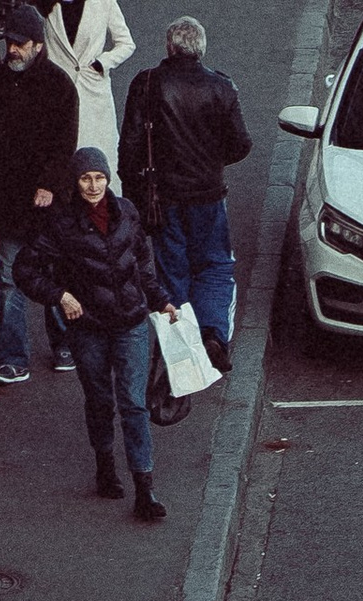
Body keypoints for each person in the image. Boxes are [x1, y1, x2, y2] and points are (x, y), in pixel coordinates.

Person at [16, 149, 173, 522]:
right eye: (86, 178)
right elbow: (25, 269)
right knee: (101, 401)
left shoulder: (128, 212)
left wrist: (161, 300)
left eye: (99, 178)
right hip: (89, 328)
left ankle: (144, 489)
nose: (93, 186)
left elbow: (142, 262)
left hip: (131, 321)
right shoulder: (60, 224)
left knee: (134, 404)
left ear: (108, 179)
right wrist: (60, 295)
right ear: (75, 181)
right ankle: (105, 466)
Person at [120, 14, 251, 370]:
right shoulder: (222, 87)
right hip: (208, 195)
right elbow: (241, 145)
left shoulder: (147, 84)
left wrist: (132, 198)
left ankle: (179, 351)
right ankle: (213, 334)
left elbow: (130, 145)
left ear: (169, 47)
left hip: (163, 198)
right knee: (214, 267)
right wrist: (211, 158)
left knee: (172, 270)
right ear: (201, 49)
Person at [0, 10, 82, 382]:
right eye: (10, 43)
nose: (13, 50)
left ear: (38, 45)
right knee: (10, 279)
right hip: (7, 202)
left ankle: (65, 343)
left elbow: (64, 143)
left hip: (46, 205)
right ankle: (12, 357)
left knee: (53, 273)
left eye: (20, 43)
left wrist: (49, 186)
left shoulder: (59, 86)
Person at [42, 0, 136, 185]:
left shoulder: (103, 2)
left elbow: (126, 43)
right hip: (56, 91)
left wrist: (102, 62)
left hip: (93, 92)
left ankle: (107, 208)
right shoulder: (43, 4)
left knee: (100, 157)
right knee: (58, 154)